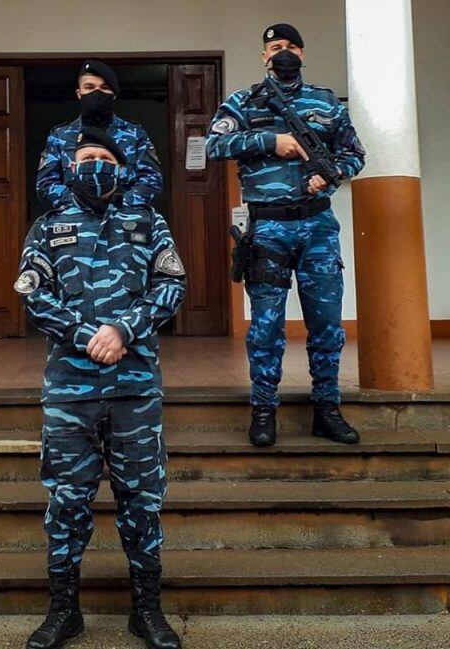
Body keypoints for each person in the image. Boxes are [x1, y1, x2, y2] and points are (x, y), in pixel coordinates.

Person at [17, 127, 185, 649]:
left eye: (104, 157)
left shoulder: (149, 222)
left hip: (135, 389)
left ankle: (147, 611)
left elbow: (172, 285)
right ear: (70, 168)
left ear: (121, 168)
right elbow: (32, 293)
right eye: (85, 156)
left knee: (141, 501)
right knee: (67, 502)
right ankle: (63, 611)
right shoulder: (48, 226)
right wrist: (88, 334)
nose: (95, 164)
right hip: (71, 391)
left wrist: (124, 330)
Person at [206, 24, 366, 447]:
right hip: (267, 229)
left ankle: (327, 410)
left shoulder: (327, 102)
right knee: (265, 328)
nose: (283, 53)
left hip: (317, 227)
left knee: (328, 325)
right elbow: (213, 147)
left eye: (291, 46)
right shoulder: (242, 102)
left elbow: (354, 154)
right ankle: (263, 411)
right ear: (264, 56)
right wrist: (270, 140)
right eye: (275, 47)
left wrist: (330, 177)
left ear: (302, 52)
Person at [36, 59, 163, 212]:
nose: (97, 93)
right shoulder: (60, 136)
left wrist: (122, 206)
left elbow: (151, 180)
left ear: (114, 94)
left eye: (104, 87)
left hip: (124, 220)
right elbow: (45, 183)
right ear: (79, 93)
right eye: (89, 87)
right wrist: (75, 207)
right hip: (74, 221)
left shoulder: (134, 134)